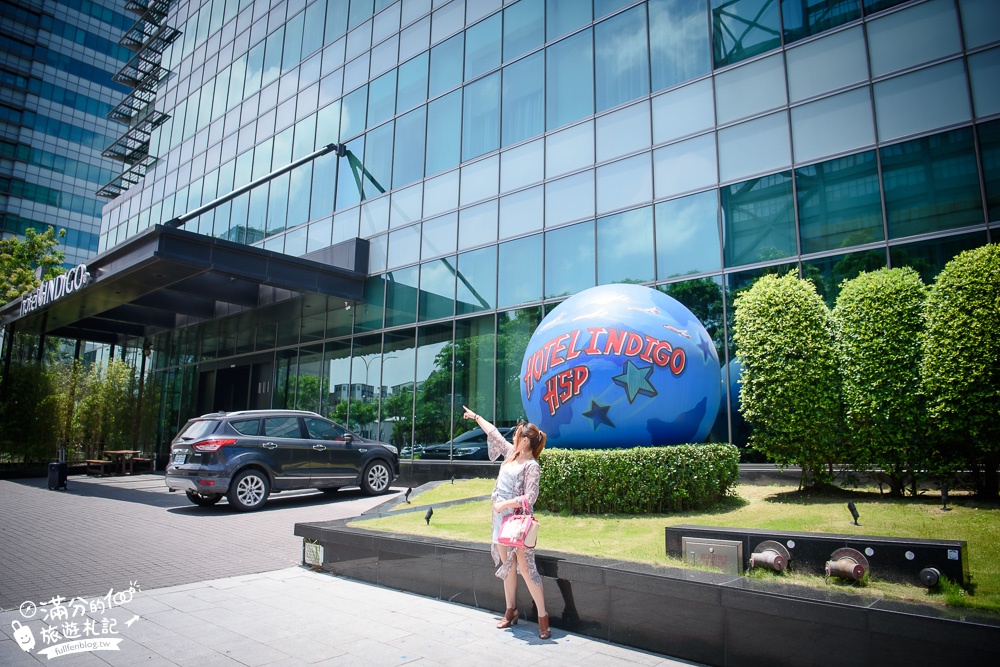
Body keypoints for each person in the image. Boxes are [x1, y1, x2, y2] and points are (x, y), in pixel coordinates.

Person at [462, 405, 550, 640]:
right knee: (507, 567)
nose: (513, 437)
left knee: (527, 570)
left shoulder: (532, 466)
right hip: (500, 521)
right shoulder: (512, 453)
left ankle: (543, 617)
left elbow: (530, 498)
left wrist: (504, 505)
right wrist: (477, 417)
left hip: (517, 524)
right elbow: (494, 435)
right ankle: (510, 610)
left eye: (518, 434)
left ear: (525, 441)